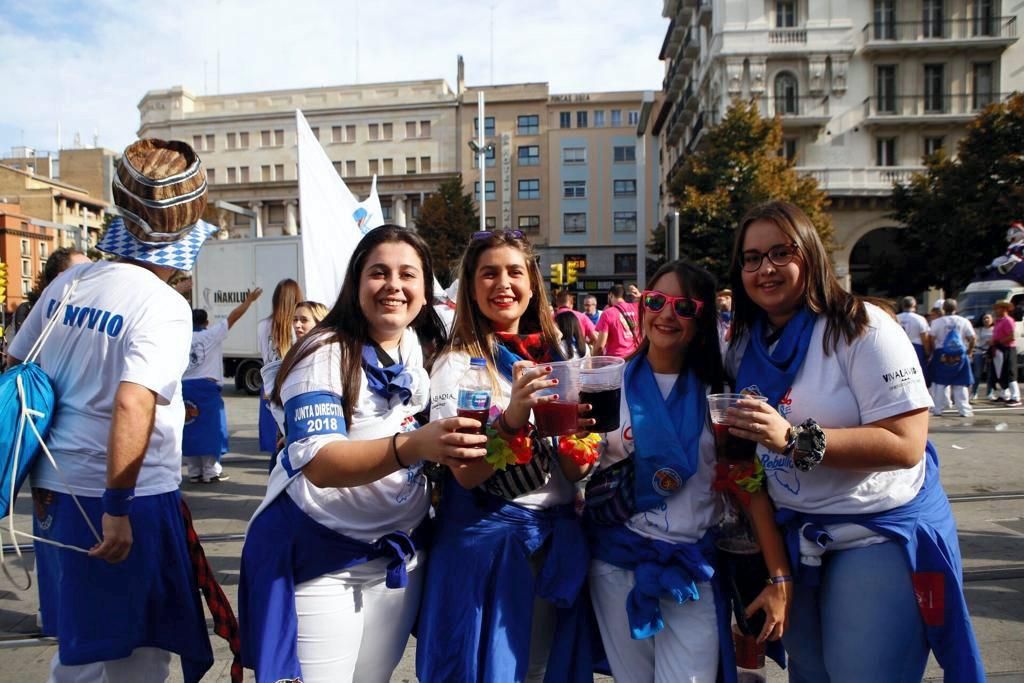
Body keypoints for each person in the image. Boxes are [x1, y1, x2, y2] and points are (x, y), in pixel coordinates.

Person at [724, 201, 982, 682]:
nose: (766, 268)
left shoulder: (861, 326)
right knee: (812, 674)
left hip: (874, 529)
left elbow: (906, 443)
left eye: (782, 252)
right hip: (797, 536)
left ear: (812, 256)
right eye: (752, 257)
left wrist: (793, 440)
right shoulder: (744, 343)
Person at [6, 139, 221, 681]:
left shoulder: (69, 281)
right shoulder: (163, 304)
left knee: (80, 640)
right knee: (138, 649)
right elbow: (132, 400)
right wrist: (119, 507)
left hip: (54, 486)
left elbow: (14, 363)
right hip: (124, 497)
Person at [238, 226, 487, 683]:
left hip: (396, 558)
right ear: (356, 284)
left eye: (407, 274)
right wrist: (414, 446)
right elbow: (321, 465)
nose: (394, 285)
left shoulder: (415, 344)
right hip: (322, 558)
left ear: (424, 289)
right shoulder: (322, 352)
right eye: (379, 273)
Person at [586, 260, 790, 682]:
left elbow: (749, 485)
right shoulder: (609, 382)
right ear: (641, 307)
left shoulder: (721, 393)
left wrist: (779, 576)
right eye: (656, 301)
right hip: (615, 565)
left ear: (703, 320)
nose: (666, 314)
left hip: (691, 568)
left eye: (684, 307)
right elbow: (579, 465)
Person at [416, 230, 593, 682]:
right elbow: (466, 476)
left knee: (539, 670)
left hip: (554, 540)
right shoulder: (456, 364)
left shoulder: (560, 357)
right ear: (471, 289)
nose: (503, 284)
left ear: (533, 284)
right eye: (488, 273)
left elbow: (571, 470)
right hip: (486, 548)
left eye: (515, 272)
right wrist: (512, 419)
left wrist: (586, 444)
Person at [183, 287, 263, 483]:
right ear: (206, 322)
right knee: (211, 431)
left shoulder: (181, 337)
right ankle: (211, 471)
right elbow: (234, 316)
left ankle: (193, 471)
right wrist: (249, 301)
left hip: (185, 388)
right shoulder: (211, 335)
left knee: (190, 429)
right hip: (207, 389)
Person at [257, 279, 303, 456]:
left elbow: (264, 356)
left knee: (277, 440)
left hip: (269, 383)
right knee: (293, 435)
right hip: (292, 384)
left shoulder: (263, 325)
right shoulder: (298, 324)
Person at [10, 247, 91, 339]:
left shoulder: (95, 315)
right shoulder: (31, 314)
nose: (95, 277)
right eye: (85, 272)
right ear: (62, 278)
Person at [925, 298, 975, 417]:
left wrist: (933, 351)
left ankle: (938, 409)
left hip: (941, 353)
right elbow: (972, 338)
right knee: (960, 383)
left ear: (943, 309)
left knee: (940, 382)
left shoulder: (937, 322)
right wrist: (969, 351)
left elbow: (931, 338)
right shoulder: (963, 321)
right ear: (956, 308)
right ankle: (964, 410)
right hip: (959, 354)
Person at [595, 284, 640, 358]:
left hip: (616, 360)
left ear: (611, 295)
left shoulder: (607, 313)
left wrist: (594, 358)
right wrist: (640, 296)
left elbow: (600, 346)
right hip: (634, 358)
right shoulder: (636, 308)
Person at [991, 299, 1021, 406]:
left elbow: (1012, 336)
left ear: (1004, 309)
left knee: (1010, 372)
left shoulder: (1008, 320)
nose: (996, 310)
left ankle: (1016, 397)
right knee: (1001, 372)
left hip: (1007, 348)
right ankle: (1004, 394)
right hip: (999, 348)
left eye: (998, 308)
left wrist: (999, 341)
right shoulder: (998, 321)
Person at [897, 295, 929, 374]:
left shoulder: (895, 318)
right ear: (914, 305)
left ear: (902, 305)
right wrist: (927, 352)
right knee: (918, 372)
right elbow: (924, 338)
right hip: (916, 347)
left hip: (899, 347)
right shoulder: (920, 319)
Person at [972, 312, 995, 401]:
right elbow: (975, 341)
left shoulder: (994, 329)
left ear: (992, 319)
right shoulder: (978, 329)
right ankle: (974, 393)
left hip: (991, 353)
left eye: (988, 318)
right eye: (984, 318)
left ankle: (990, 393)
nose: (986, 320)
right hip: (979, 352)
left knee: (990, 374)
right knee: (977, 374)